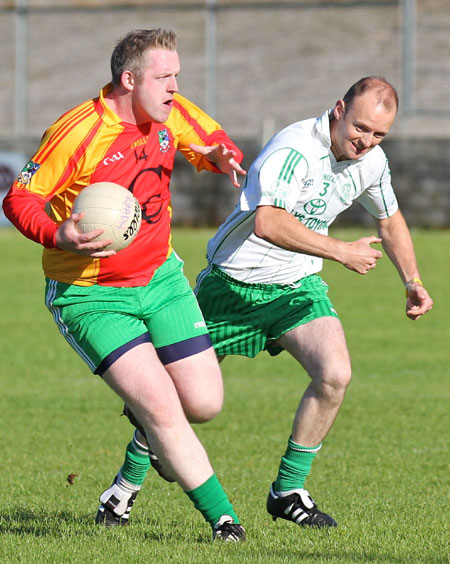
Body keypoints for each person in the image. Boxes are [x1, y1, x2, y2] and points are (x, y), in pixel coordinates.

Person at [101, 76, 433, 530]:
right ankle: (123, 490)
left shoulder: (371, 161)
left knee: (335, 374)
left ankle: (288, 490)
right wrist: (340, 251)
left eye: (379, 135)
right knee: (170, 398)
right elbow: (268, 223)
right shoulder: (292, 150)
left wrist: (411, 279)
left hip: (296, 289)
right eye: (361, 128)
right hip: (232, 288)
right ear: (338, 109)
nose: (367, 141)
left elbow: (390, 220)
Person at [2, 28, 247, 542]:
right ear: (129, 79)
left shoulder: (167, 109)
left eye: (178, 75)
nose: (175, 87)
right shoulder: (79, 131)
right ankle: (226, 522)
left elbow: (211, 137)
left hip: (161, 279)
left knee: (203, 404)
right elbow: (20, 199)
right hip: (92, 296)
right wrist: (57, 233)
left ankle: (146, 422)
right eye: (165, 77)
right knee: (162, 405)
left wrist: (222, 154)